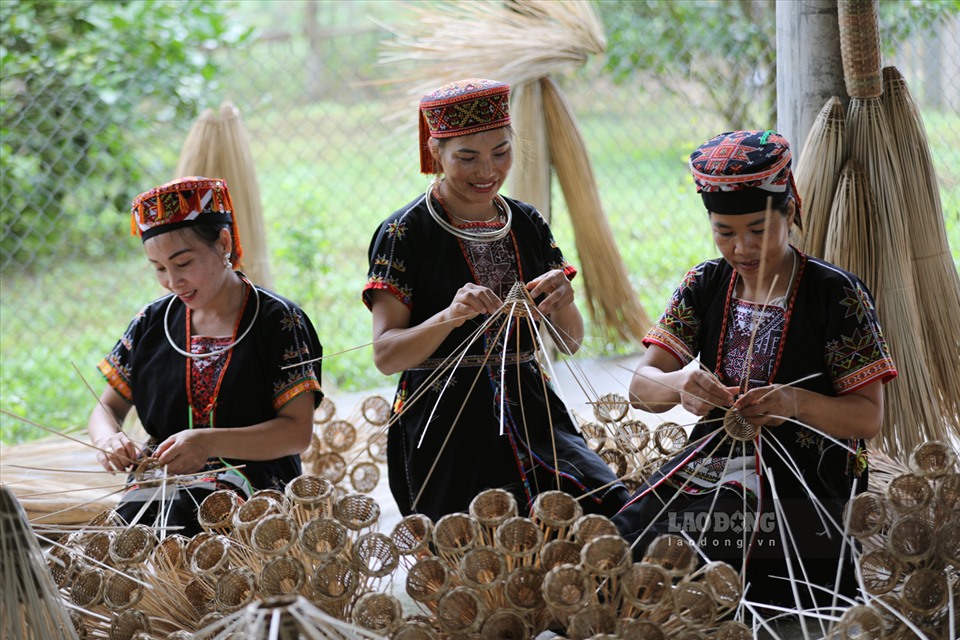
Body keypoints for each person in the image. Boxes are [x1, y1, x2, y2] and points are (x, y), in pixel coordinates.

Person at [612, 130, 898, 608]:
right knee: (624, 533)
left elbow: (867, 417)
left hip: (805, 479)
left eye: (758, 230)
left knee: (697, 553)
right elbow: (642, 389)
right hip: (712, 461)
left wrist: (794, 403)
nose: (742, 248)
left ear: (790, 212)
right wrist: (680, 383)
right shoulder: (705, 284)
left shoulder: (836, 295)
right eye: (724, 232)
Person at [363, 78, 629, 522]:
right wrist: (449, 316)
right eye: (466, 157)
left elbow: (570, 342)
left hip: (532, 410)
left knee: (607, 514)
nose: (486, 171)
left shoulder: (526, 222)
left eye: (501, 152)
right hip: (444, 422)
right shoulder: (404, 234)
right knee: (487, 552)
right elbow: (386, 355)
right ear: (436, 152)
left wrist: (563, 300)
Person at [88, 176, 323, 537]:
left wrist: (209, 442)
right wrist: (109, 440)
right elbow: (106, 409)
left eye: (183, 263)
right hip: (164, 481)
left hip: (255, 481)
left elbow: (296, 432)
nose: (172, 281)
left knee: (202, 531)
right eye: (159, 268)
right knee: (123, 541)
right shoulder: (153, 323)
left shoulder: (277, 321)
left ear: (223, 243)